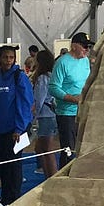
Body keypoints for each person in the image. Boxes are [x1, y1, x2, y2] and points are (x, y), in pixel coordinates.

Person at [0, 45, 33, 205]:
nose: (8, 61)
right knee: (2, 165)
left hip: (14, 131)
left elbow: (25, 104)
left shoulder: (19, 77)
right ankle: (5, 197)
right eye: (5, 57)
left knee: (13, 165)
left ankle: (13, 200)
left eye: (11, 57)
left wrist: (19, 128)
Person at [52, 32, 92, 166]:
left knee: (84, 148)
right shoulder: (62, 62)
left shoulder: (85, 61)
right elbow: (53, 88)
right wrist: (72, 99)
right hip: (67, 114)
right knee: (69, 150)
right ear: (74, 46)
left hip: (83, 111)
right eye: (84, 47)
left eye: (88, 47)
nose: (87, 50)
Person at [31, 49, 59, 179]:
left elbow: (39, 99)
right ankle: (49, 175)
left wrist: (33, 117)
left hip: (46, 116)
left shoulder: (42, 78)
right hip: (50, 115)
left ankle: (52, 176)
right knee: (44, 149)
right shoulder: (52, 75)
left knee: (47, 150)